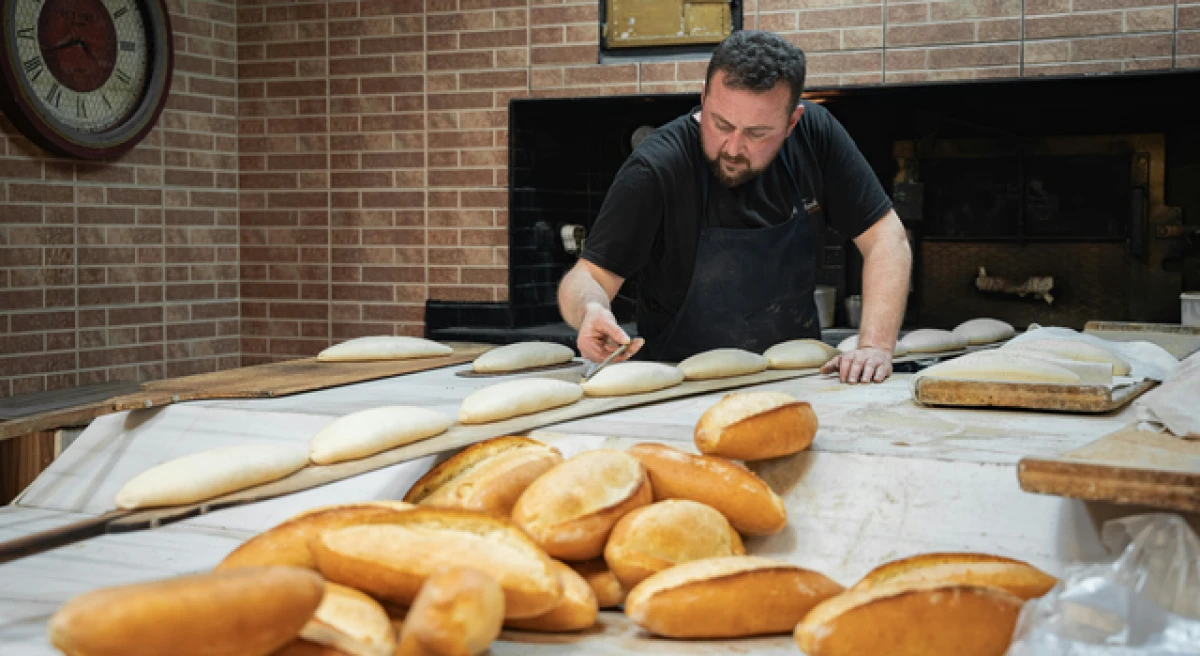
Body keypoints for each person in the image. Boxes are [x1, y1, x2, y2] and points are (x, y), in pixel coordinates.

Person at [556, 30, 912, 384]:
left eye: (757, 133)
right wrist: (592, 309)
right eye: (721, 123)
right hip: (680, 389)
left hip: (797, 380)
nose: (733, 147)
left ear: (792, 122)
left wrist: (876, 346)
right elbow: (588, 277)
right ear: (704, 98)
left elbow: (886, 238)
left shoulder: (816, 138)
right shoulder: (657, 168)